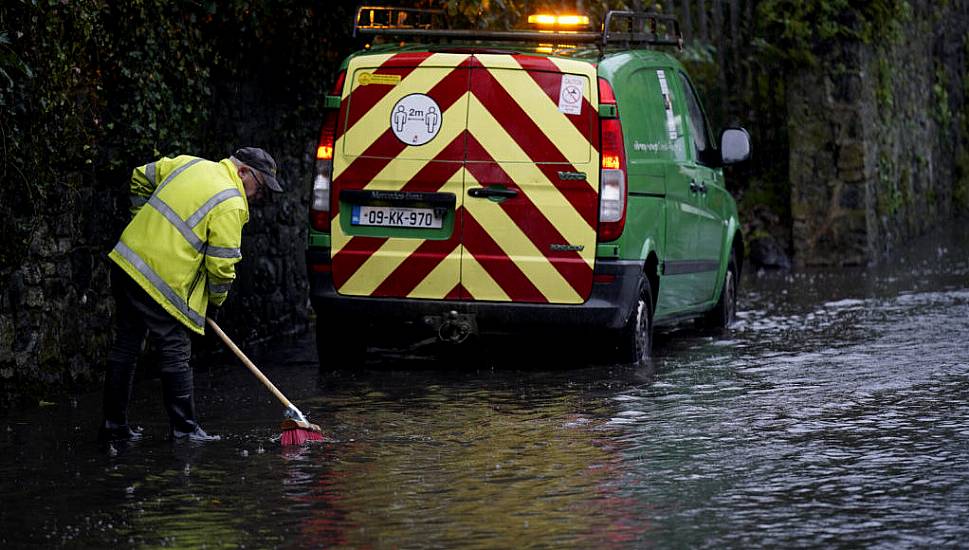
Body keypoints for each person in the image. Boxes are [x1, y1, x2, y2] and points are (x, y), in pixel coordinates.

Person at [99, 147, 284, 443]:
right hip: (159, 279)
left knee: (126, 346)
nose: (258, 196)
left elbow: (139, 177)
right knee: (175, 349)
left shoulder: (189, 164)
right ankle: (185, 432)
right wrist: (215, 303)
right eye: (259, 187)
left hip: (126, 261)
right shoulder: (231, 203)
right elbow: (222, 266)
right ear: (243, 172)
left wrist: (140, 221)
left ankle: (114, 427)